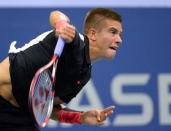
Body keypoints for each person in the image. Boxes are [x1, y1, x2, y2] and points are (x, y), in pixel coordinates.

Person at [0, 8, 122, 131]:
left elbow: (50, 109)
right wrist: (61, 24)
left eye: (119, 34)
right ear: (93, 34)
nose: (119, 40)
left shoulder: (84, 75)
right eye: (113, 32)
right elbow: (56, 15)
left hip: (19, 116)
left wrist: (81, 117)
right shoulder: (74, 41)